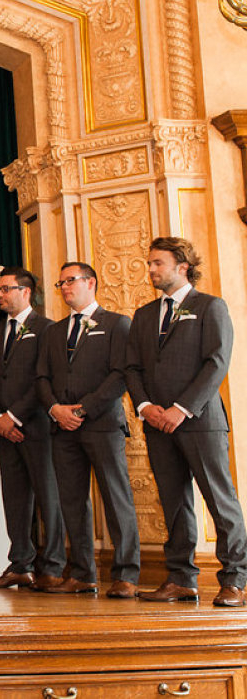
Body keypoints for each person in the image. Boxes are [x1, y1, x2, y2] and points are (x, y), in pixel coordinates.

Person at [126, 237, 247, 607]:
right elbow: (132, 367)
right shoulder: (144, 314)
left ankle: (236, 580)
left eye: (157, 263)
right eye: (149, 263)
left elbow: (216, 362)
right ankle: (181, 578)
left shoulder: (210, 306)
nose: (151, 270)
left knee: (220, 500)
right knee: (174, 503)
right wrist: (146, 406)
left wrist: (182, 408)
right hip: (157, 423)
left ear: (182, 266)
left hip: (199, 422)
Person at [36, 262, 140, 598]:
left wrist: (82, 409)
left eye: (71, 281)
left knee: (115, 497)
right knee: (72, 502)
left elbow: (120, 375)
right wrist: (55, 409)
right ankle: (82, 573)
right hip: (62, 428)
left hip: (102, 424)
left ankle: (126, 574)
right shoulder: (53, 332)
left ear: (90, 283)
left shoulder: (116, 324)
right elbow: (41, 378)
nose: (65, 287)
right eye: (61, 282)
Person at [0, 267, 65, 591]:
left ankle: (54, 566)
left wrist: (14, 416)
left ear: (25, 292)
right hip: (3, 430)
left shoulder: (47, 329)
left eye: (5, 289)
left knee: (48, 496)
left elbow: (44, 378)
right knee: (15, 499)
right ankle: (20, 565)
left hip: (37, 427)